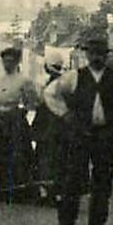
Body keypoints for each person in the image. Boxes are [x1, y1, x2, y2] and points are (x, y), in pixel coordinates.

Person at [41, 33, 113, 225]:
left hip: (105, 135)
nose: (96, 57)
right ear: (87, 55)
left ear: (106, 56)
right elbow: (50, 93)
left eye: (101, 53)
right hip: (80, 134)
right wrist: (65, 114)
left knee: (102, 182)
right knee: (72, 180)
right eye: (93, 53)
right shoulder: (74, 77)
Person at [0, 46, 40, 203]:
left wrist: (21, 112)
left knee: (18, 154)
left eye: (10, 61)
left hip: (16, 121)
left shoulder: (24, 80)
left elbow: (32, 101)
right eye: (5, 61)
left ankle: (20, 192)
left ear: (16, 62)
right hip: (0, 119)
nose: (7, 64)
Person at [30, 60, 66, 206]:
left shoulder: (56, 86)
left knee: (50, 158)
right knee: (47, 158)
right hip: (48, 124)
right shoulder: (55, 85)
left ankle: (51, 193)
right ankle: (49, 192)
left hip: (52, 124)